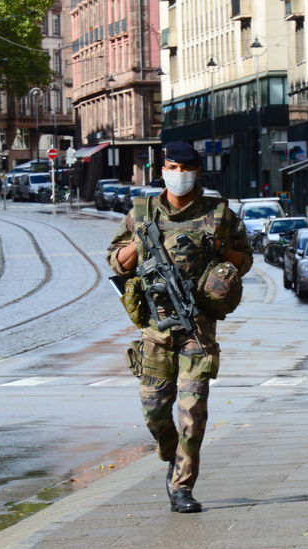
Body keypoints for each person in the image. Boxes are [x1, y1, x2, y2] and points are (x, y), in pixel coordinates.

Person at [107, 141, 253, 513]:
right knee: (155, 412)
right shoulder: (142, 212)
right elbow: (116, 261)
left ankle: (182, 487)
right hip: (155, 329)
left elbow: (245, 261)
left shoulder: (218, 214)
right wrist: (139, 243)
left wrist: (220, 247)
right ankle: (172, 456)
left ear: (197, 172)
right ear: (163, 170)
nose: (179, 174)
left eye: (185, 168)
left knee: (193, 411)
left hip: (197, 328)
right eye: (172, 167)